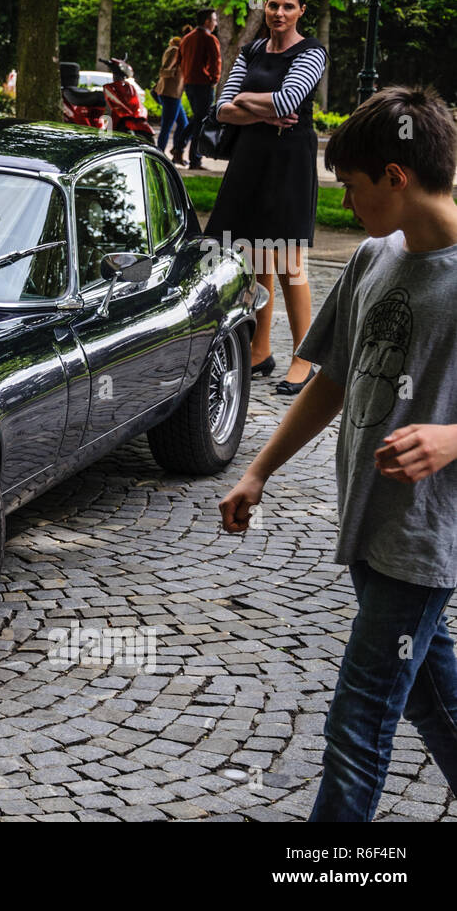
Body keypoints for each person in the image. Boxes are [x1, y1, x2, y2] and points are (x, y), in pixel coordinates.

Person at [220, 85, 457, 822]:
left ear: (396, 176)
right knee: (428, 691)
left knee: (358, 720)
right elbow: (331, 380)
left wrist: (452, 437)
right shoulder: (371, 257)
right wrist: (258, 469)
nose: (345, 206)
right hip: (365, 520)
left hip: (421, 539)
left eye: (352, 188)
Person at [205, 0, 327, 393]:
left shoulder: (312, 52)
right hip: (250, 158)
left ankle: (304, 358)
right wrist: (257, 110)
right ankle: (260, 350)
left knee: (289, 261)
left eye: (288, 6)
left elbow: (289, 101)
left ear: (301, 11)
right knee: (254, 257)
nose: (278, 13)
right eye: (273, 5)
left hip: (289, 161)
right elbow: (221, 108)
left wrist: (246, 103)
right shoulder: (252, 49)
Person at [177, 7, 220, 168]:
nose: (215, 23)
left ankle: (179, 146)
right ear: (207, 21)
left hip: (189, 83)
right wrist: (213, 79)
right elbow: (215, 62)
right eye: (214, 20)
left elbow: (179, 60)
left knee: (198, 118)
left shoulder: (186, 38)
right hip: (204, 84)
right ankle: (195, 160)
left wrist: (187, 75)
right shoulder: (209, 39)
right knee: (201, 122)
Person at [152, 32, 188, 155]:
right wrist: (175, 73)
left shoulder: (177, 50)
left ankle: (176, 151)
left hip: (173, 93)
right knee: (167, 127)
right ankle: (160, 154)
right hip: (169, 93)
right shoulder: (174, 50)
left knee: (184, 124)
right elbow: (163, 71)